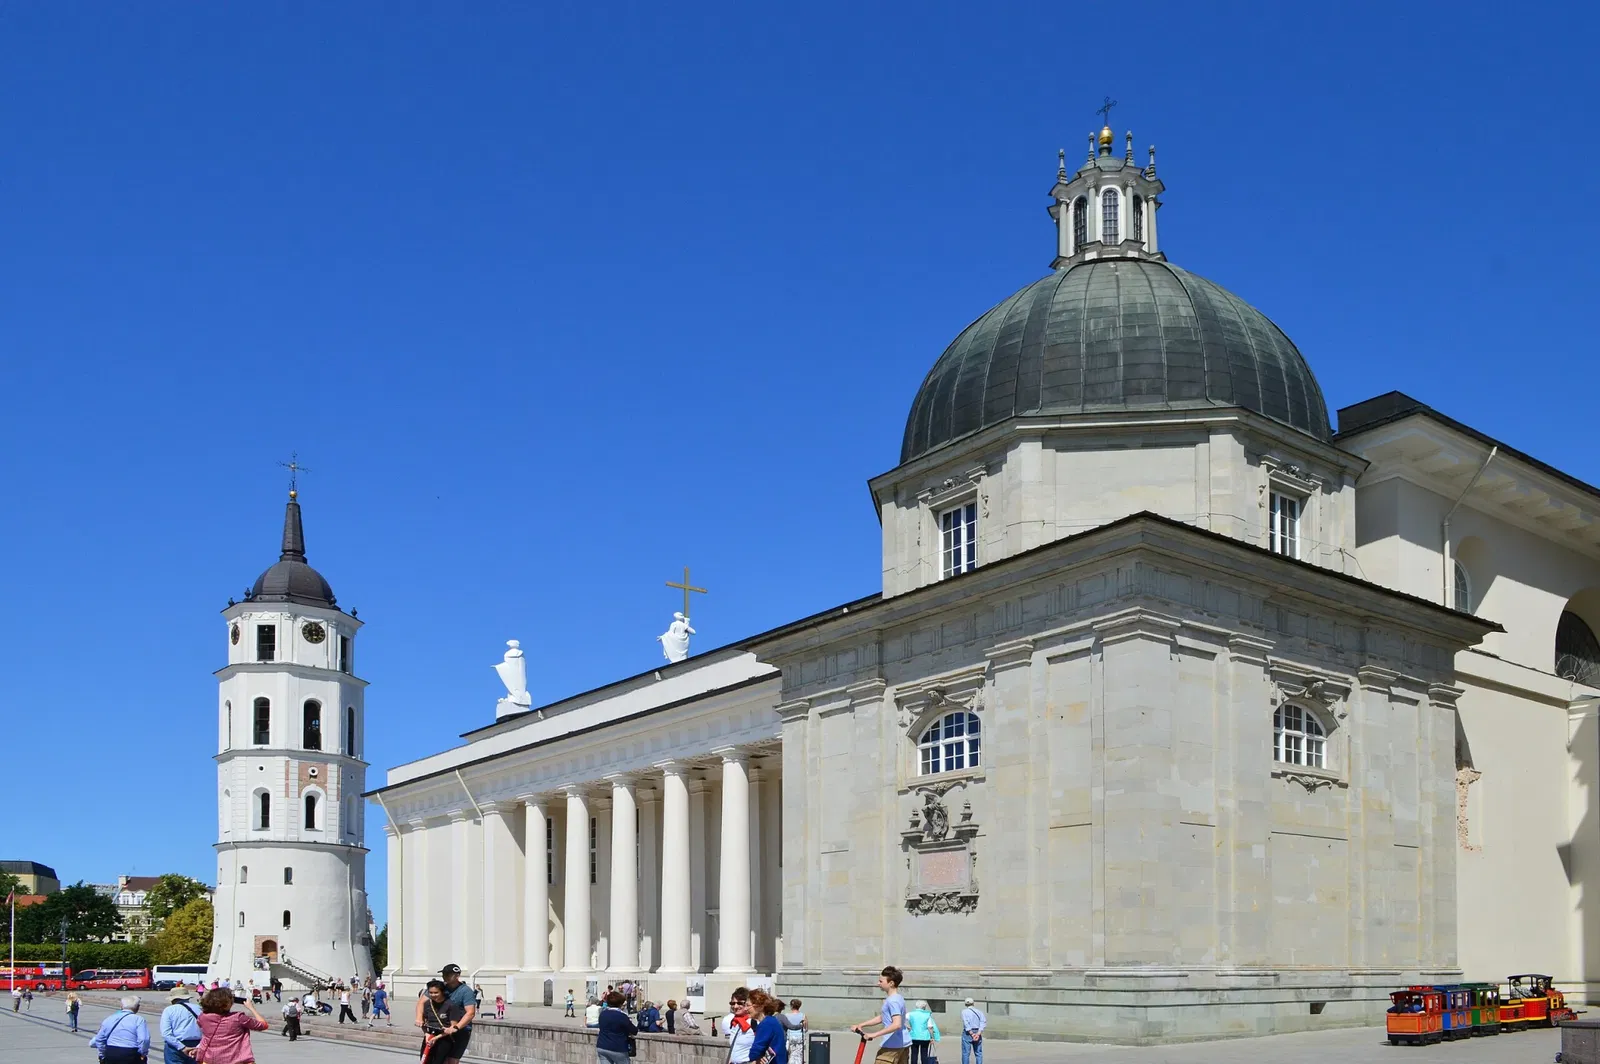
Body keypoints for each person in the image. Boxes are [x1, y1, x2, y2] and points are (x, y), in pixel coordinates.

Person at [194, 986, 269, 1064]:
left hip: (209, 1059)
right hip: (235, 1060)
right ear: (226, 1004)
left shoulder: (202, 1017)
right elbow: (263, 1025)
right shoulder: (238, 1018)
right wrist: (251, 1008)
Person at [850, 966, 910, 1064]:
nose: (878, 983)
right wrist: (861, 1025)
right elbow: (883, 1017)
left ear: (891, 983)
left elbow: (897, 1024)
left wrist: (873, 1034)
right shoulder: (899, 998)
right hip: (903, 1044)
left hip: (891, 1046)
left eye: (881, 981)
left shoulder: (892, 1001)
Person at [417, 980, 469, 1064]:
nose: (433, 995)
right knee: (424, 1061)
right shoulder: (427, 1004)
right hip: (429, 1037)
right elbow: (424, 1022)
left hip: (444, 1039)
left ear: (442, 992)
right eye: (431, 992)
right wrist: (426, 1034)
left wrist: (436, 1038)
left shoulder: (451, 1005)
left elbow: (452, 1028)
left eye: (436, 992)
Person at [436, 964, 479, 1064]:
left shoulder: (466, 991)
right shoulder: (441, 988)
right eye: (443, 974)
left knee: (452, 1060)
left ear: (457, 976)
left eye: (447, 974)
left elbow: (470, 1013)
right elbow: (423, 1000)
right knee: (441, 1059)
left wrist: (456, 1027)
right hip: (444, 1028)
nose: (444, 976)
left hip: (461, 1030)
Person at [90, 996, 151, 1064]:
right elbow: (144, 1039)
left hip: (111, 1052)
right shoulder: (139, 1020)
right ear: (137, 1007)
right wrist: (143, 1053)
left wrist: (103, 1053)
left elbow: (99, 1039)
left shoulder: (110, 1019)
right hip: (131, 1053)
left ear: (121, 1006)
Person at [159, 987, 204, 1064]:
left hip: (175, 1046)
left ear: (173, 999)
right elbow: (207, 1030)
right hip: (197, 1044)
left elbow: (166, 1033)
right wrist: (198, 1046)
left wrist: (182, 1047)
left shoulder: (169, 1010)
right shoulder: (199, 1009)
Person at [747, 990, 789, 1064]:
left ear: (759, 1006)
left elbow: (755, 1051)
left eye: (748, 1005)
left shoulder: (765, 1024)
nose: (746, 1009)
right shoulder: (772, 1021)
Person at [595, 990, 637, 1064]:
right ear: (620, 1004)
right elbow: (634, 1030)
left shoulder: (603, 1014)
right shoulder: (622, 1016)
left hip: (602, 1046)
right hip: (618, 1047)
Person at [722, 988, 756, 1064]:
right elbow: (735, 1047)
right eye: (733, 1003)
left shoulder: (754, 1022)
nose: (736, 1006)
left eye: (740, 1003)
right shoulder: (734, 1023)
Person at [958, 999, 985, 1064]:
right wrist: (978, 1033)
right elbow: (983, 1022)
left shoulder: (964, 1012)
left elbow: (966, 1023)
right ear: (973, 1003)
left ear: (965, 1004)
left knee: (966, 1053)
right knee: (978, 1052)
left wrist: (972, 1033)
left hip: (967, 1033)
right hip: (977, 1031)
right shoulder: (979, 1012)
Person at [784, 1000, 807, 1064]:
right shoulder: (803, 1015)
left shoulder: (787, 1015)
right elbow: (806, 1028)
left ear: (791, 1006)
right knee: (799, 1054)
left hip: (790, 1037)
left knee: (790, 1054)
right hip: (800, 1037)